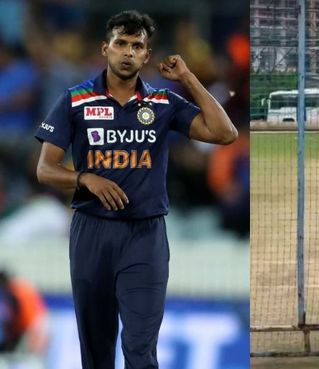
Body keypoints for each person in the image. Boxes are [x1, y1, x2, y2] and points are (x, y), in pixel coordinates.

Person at [34, 10, 238, 369]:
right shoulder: (75, 100)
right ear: (105, 49)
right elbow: (45, 169)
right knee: (96, 354)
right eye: (121, 43)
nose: (128, 51)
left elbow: (225, 134)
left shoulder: (162, 103)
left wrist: (188, 77)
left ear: (147, 55)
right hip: (91, 232)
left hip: (145, 235)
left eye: (137, 46)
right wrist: (85, 178)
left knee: (140, 350)